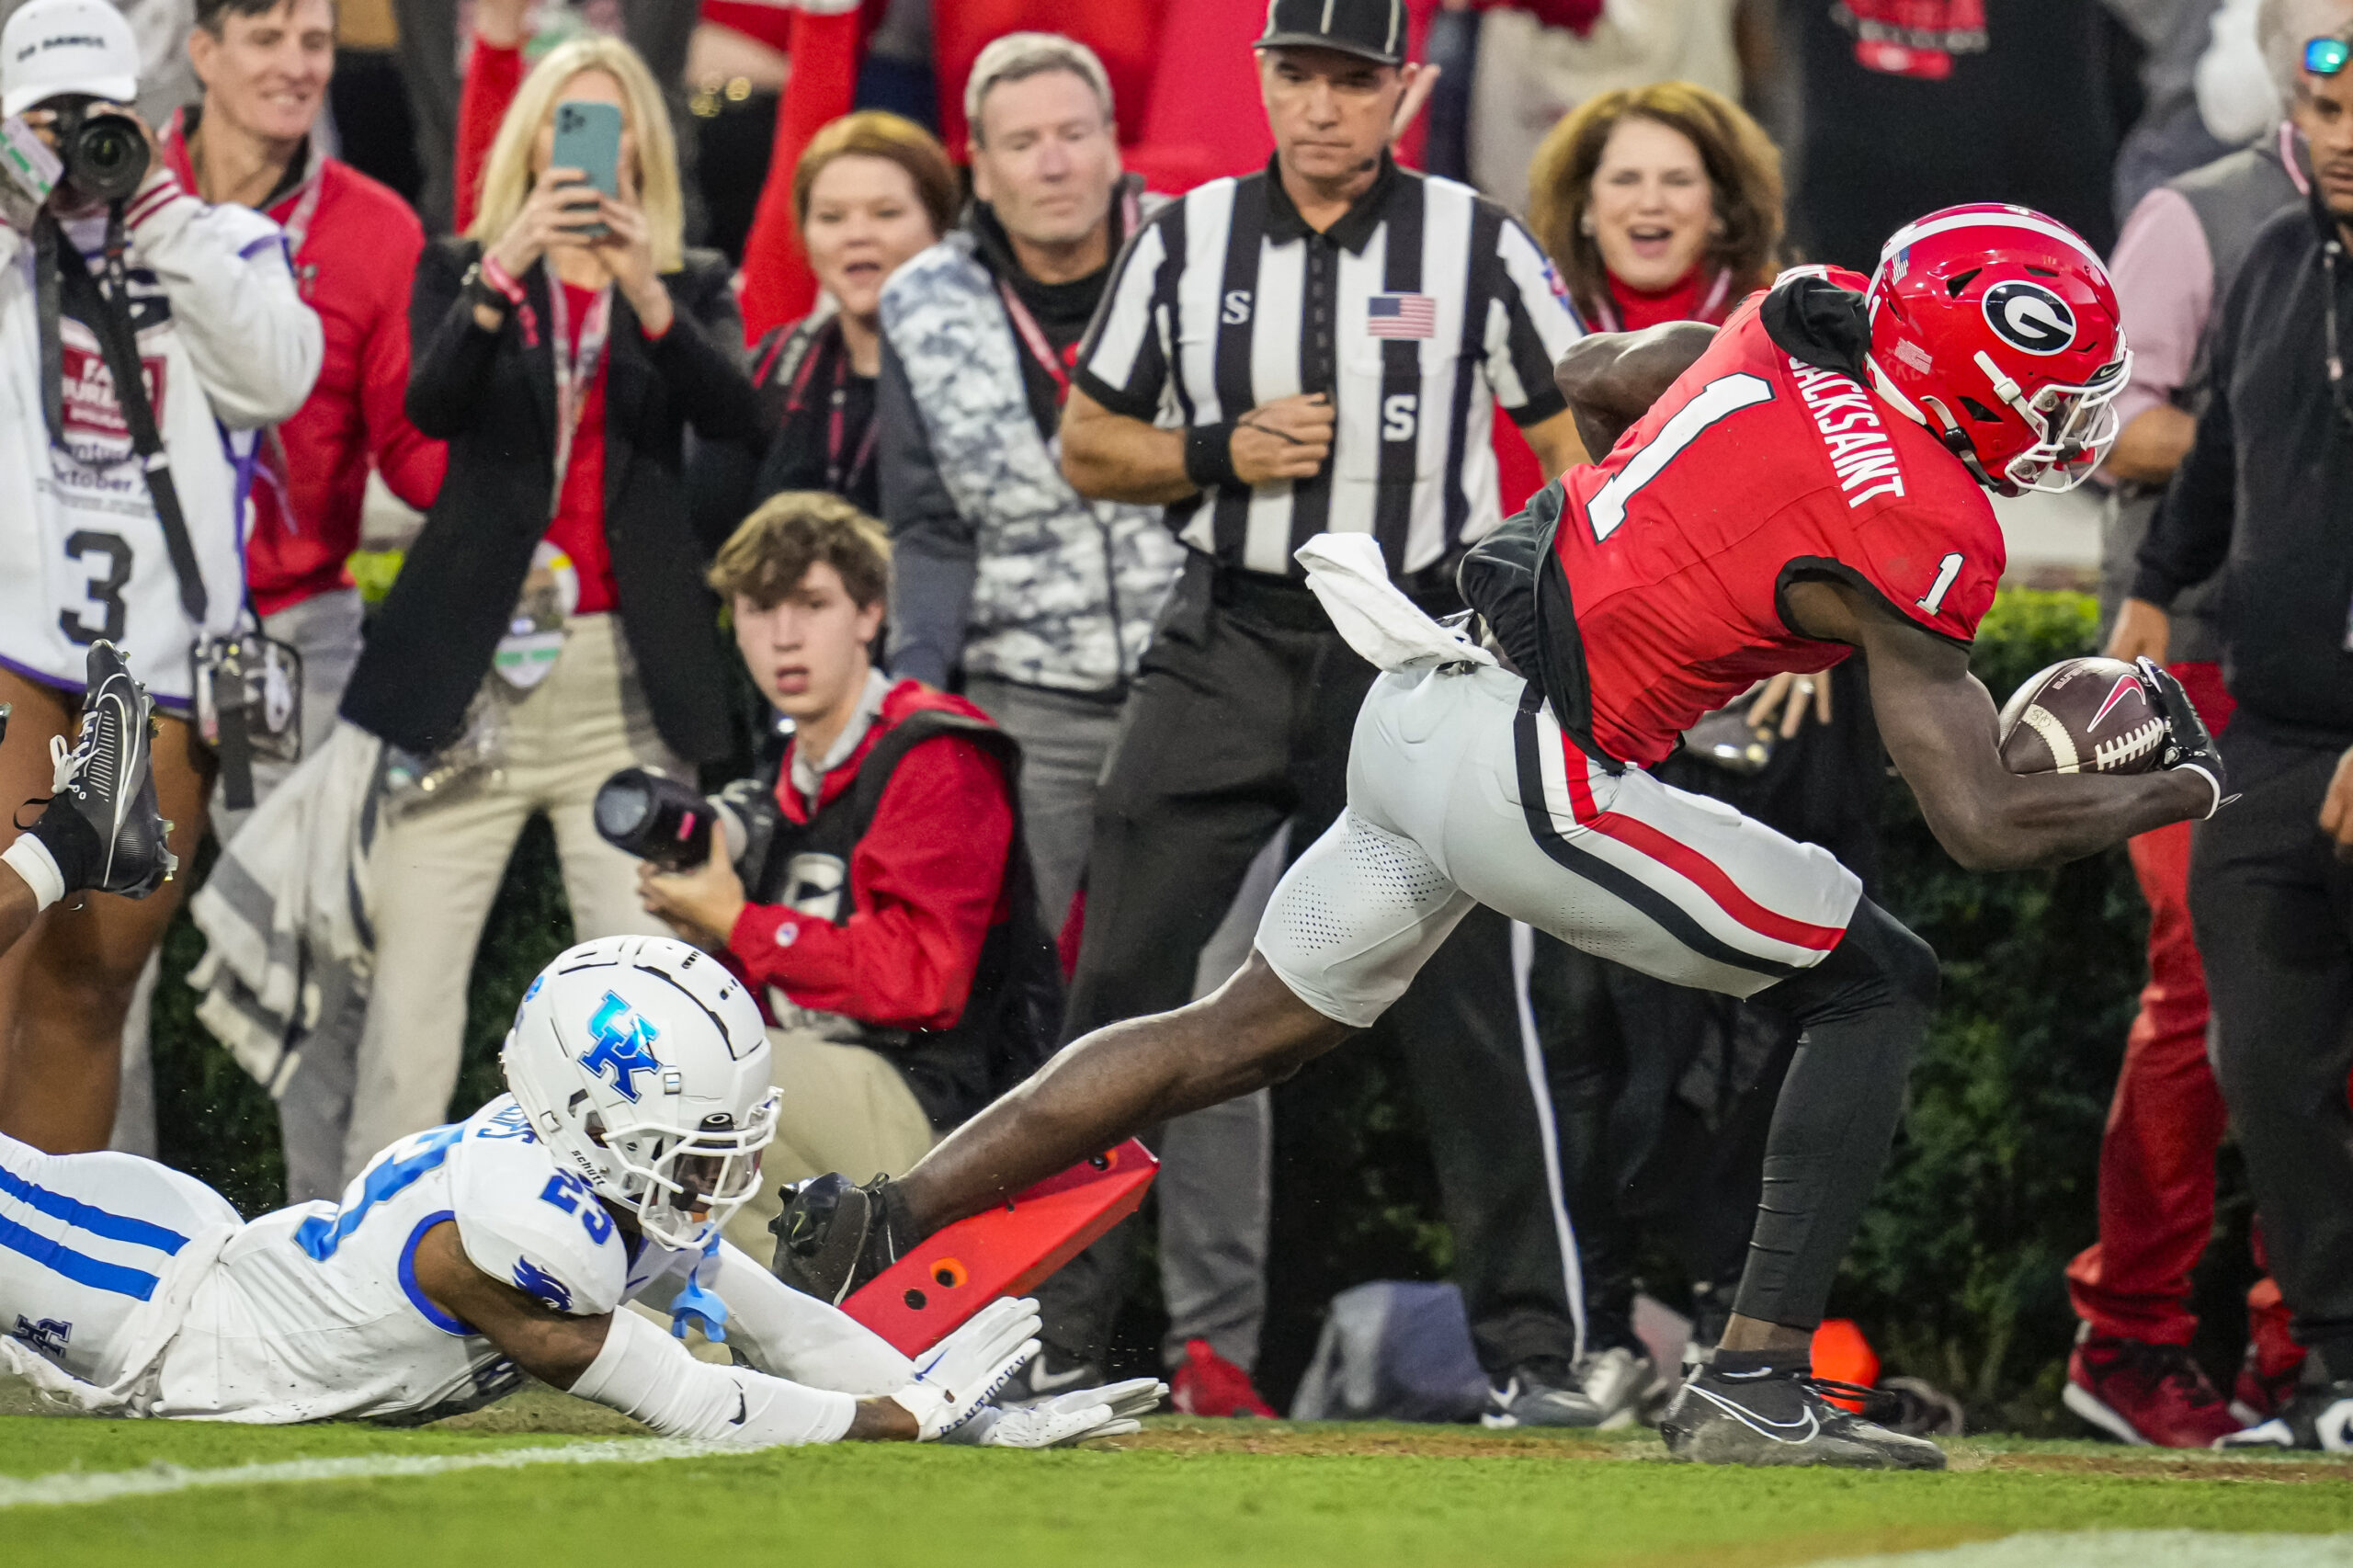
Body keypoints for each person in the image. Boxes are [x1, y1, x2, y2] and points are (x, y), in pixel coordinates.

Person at [770, 202, 2231, 1471]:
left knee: (1238, 1027)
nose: (2070, 424)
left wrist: (1682, 564)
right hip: (1536, 765)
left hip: (1425, 691)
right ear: (1975, 372)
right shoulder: (1922, 517)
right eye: (2058, 390)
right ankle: (1755, 1377)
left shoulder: (1804, 324)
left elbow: (1601, 378)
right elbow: (1979, 816)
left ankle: (872, 1220)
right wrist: (2170, 787)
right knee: (1877, 976)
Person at [963, 0, 1600, 1428]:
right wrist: (1217, 449)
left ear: (1408, 87)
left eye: (1354, 81)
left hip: (1415, 647)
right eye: (1299, 77)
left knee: (1465, 1000)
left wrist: (1540, 607)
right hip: (1230, 634)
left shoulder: (1479, 240)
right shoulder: (1184, 239)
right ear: (1261, 80)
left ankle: (1532, 1357)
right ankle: (1049, 1338)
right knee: (1117, 981)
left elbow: (1581, 437)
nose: (1324, 108)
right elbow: (1089, 442)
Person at [0, 931, 1159, 1447]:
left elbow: (780, 1325)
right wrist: (897, 1414)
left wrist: (961, 1415)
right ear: (593, 1119)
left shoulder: (600, 1176)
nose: (718, 1173)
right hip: (151, 1309)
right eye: (692, 1143)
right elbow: (695, 1401)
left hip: (219, 1249)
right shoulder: (510, 1233)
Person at [878, 32, 1274, 1417]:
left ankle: (1221, 1344)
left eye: (1073, 133)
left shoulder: (1208, 257)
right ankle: (1043, 1338)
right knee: (1048, 1031)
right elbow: (927, 527)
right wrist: (921, 699)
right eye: (1021, 141)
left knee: (1238, 1015)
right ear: (978, 165)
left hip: (1208, 681)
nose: (1052, 163)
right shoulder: (921, 298)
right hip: (1023, 698)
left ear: (1115, 143)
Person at [334, 36, 762, 1183]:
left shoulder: (690, 283)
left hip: (624, 686)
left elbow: (738, 418)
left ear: (640, 150)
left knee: (636, 1015)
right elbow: (431, 402)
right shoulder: (465, 266)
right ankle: (358, 1279)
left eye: (609, 127)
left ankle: (637, 1275)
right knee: (411, 1009)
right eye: (568, 125)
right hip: (465, 694)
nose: (590, 151)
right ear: (531, 141)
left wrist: (644, 291)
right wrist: (501, 272)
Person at [2063, 0, 2340, 1449]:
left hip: (2317, 673)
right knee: (2206, 994)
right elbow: (2101, 423)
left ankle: (2308, 1353)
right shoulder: (2204, 218)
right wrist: (2289, 430)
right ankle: (2133, 1329)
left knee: (2310, 1007)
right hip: (2209, 659)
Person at [0, 0, 322, 1153]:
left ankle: (42, 1304)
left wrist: (156, 208)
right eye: (49, 118)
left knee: (89, 991)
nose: (79, 140)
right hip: (17, 648)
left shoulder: (222, 241)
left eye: (103, 116)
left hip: (163, 674)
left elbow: (280, 377)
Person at [145, 0, 448, 1199]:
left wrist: (502, 390)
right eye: (264, 39)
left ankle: (333, 1258)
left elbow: (412, 456)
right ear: (202, 52)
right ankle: (72, 1275)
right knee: (89, 950)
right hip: (123, 635)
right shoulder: (98, 194)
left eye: (314, 43)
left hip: (289, 633)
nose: (294, 66)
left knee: (311, 956)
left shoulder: (375, 228)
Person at [634, 494, 1060, 1262]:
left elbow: (924, 983)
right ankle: (760, 1353)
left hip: (949, 1118)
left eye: (813, 604)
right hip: (829, 1091)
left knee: (673, 1068)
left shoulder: (937, 753)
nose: (784, 637)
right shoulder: (783, 780)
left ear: (870, 615)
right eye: (760, 609)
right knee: (644, 1067)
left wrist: (744, 925)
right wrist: (704, 931)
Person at [690, 112, 956, 539]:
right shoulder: (773, 370)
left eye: (885, 214)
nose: (857, 235)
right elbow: (711, 541)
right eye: (832, 218)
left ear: (939, 230)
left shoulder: (989, 369)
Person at [1525, 80, 1783, 334]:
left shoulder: (1780, 325)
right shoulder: (1532, 325)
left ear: (1720, 208)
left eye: (1677, 181)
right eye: (1625, 180)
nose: (1651, 203)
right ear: (1585, 207)